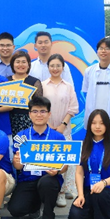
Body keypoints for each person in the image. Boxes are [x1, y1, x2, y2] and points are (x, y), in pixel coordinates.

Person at [8, 96, 67, 219]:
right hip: (28, 179)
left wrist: (57, 171)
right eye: (35, 111)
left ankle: (48, 217)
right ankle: (35, 207)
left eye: (42, 111)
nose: (39, 115)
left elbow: (65, 166)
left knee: (47, 182)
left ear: (49, 114)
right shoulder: (22, 137)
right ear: (29, 114)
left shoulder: (57, 137)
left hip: (49, 179)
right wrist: (17, 162)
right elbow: (18, 166)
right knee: (15, 210)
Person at [69, 110, 110, 219]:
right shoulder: (83, 146)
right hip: (89, 191)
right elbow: (79, 173)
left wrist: (103, 183)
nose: (97, 126)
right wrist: (80, 195)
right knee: (75, 213)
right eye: (94, 123)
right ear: (89, 125)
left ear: (107, 125)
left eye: (101, 123)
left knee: (99, 195)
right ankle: (102, 218)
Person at [41, 53, 79, 207]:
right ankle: (49, 192)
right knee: (48, 161)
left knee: (64, 161)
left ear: (63, 67)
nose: (55, 68)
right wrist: (47, 124)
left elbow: (73, 108)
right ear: (48, 67)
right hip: (46, 129)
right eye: (52, 65)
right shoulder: (42, 85)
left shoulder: (68, 87)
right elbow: (40, 107)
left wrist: (63, 125)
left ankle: (62, 192)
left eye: (58, 65)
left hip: (64, 130)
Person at [82, 38, 110, 122]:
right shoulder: (89, 71)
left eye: (107, 48)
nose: (103, 51)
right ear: (97, 51)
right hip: (93, 115)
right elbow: (86, 90)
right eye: (101, 48)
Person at [8, 50, 43, 136]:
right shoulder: (6, 81)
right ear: (12, 64)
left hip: (28, 121)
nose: (20, 65)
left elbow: (39, 104)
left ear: (28, 65)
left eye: (24, 62)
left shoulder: (35, 82)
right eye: (17, 62)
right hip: (8, 120)